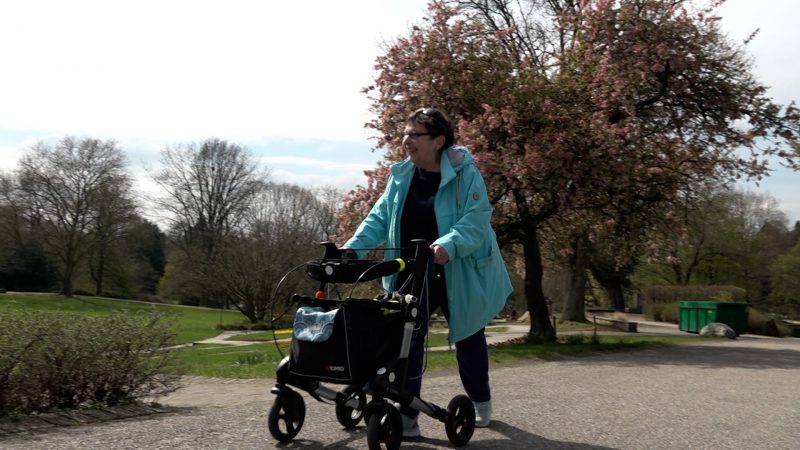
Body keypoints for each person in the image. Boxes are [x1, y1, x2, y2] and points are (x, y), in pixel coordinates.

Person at [343, 107, 512, 437]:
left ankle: (480, 401)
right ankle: (408, 415)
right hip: (412, 270)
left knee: (468, 336)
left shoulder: (465, 175)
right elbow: (378, 219)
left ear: (438, 141)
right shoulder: (401, 176)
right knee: (407, 338)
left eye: (414, 134)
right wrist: (352, 249)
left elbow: (476, 219)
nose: (406, 140)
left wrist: (446, 245)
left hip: (456, 269)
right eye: (405, 133)